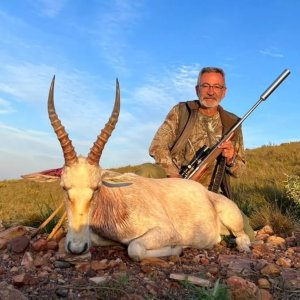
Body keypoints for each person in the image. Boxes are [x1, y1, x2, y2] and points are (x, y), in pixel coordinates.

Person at [149, 67, 254, 241]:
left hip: (209, 194)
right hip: (172, 184)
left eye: (217, 87)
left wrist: (230, 158)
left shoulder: (233, 123)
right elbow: (157, 146)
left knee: (247, 234)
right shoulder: (181, 111)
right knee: (145, 172)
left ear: (224, 92)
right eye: (205, 86)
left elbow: (240, 170)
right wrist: (175, 176)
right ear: (197, 89)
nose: (211, 92)